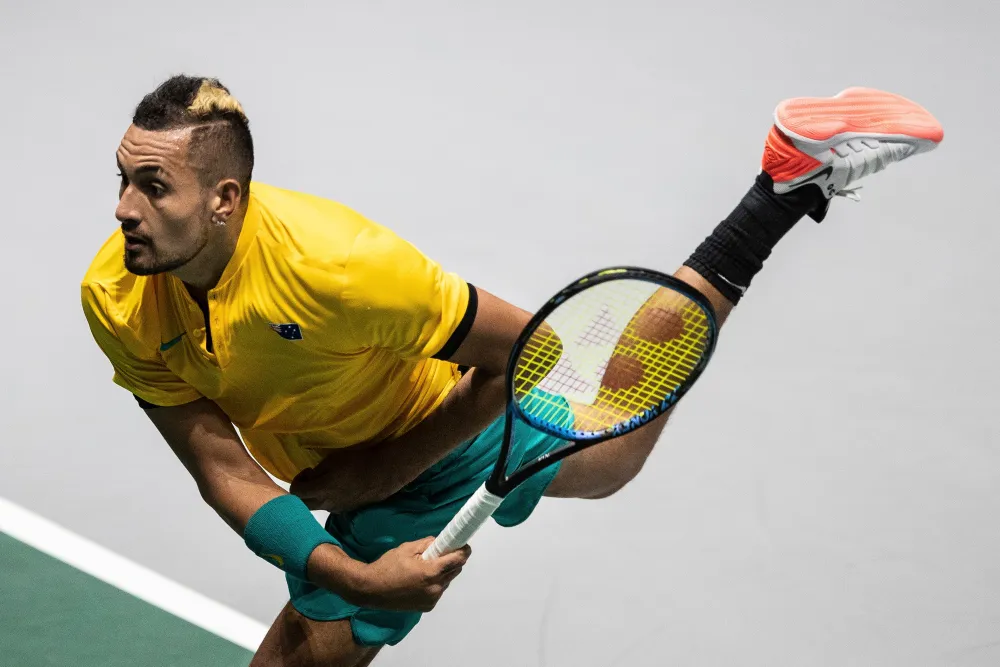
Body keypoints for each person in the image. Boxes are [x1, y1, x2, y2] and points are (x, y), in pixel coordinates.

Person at [81, 75, 943, 666]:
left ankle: (783, 189)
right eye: (122, 179)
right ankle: (782, 188)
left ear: (225, 199)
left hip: (432, 433)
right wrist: (351, 571)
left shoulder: (341, 267)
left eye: (153, 186)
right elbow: (222, 467)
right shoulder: (116, 296)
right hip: (354, 463)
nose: (124, 208)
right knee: (611, 455)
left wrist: (384, 472)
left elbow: (538, 348)